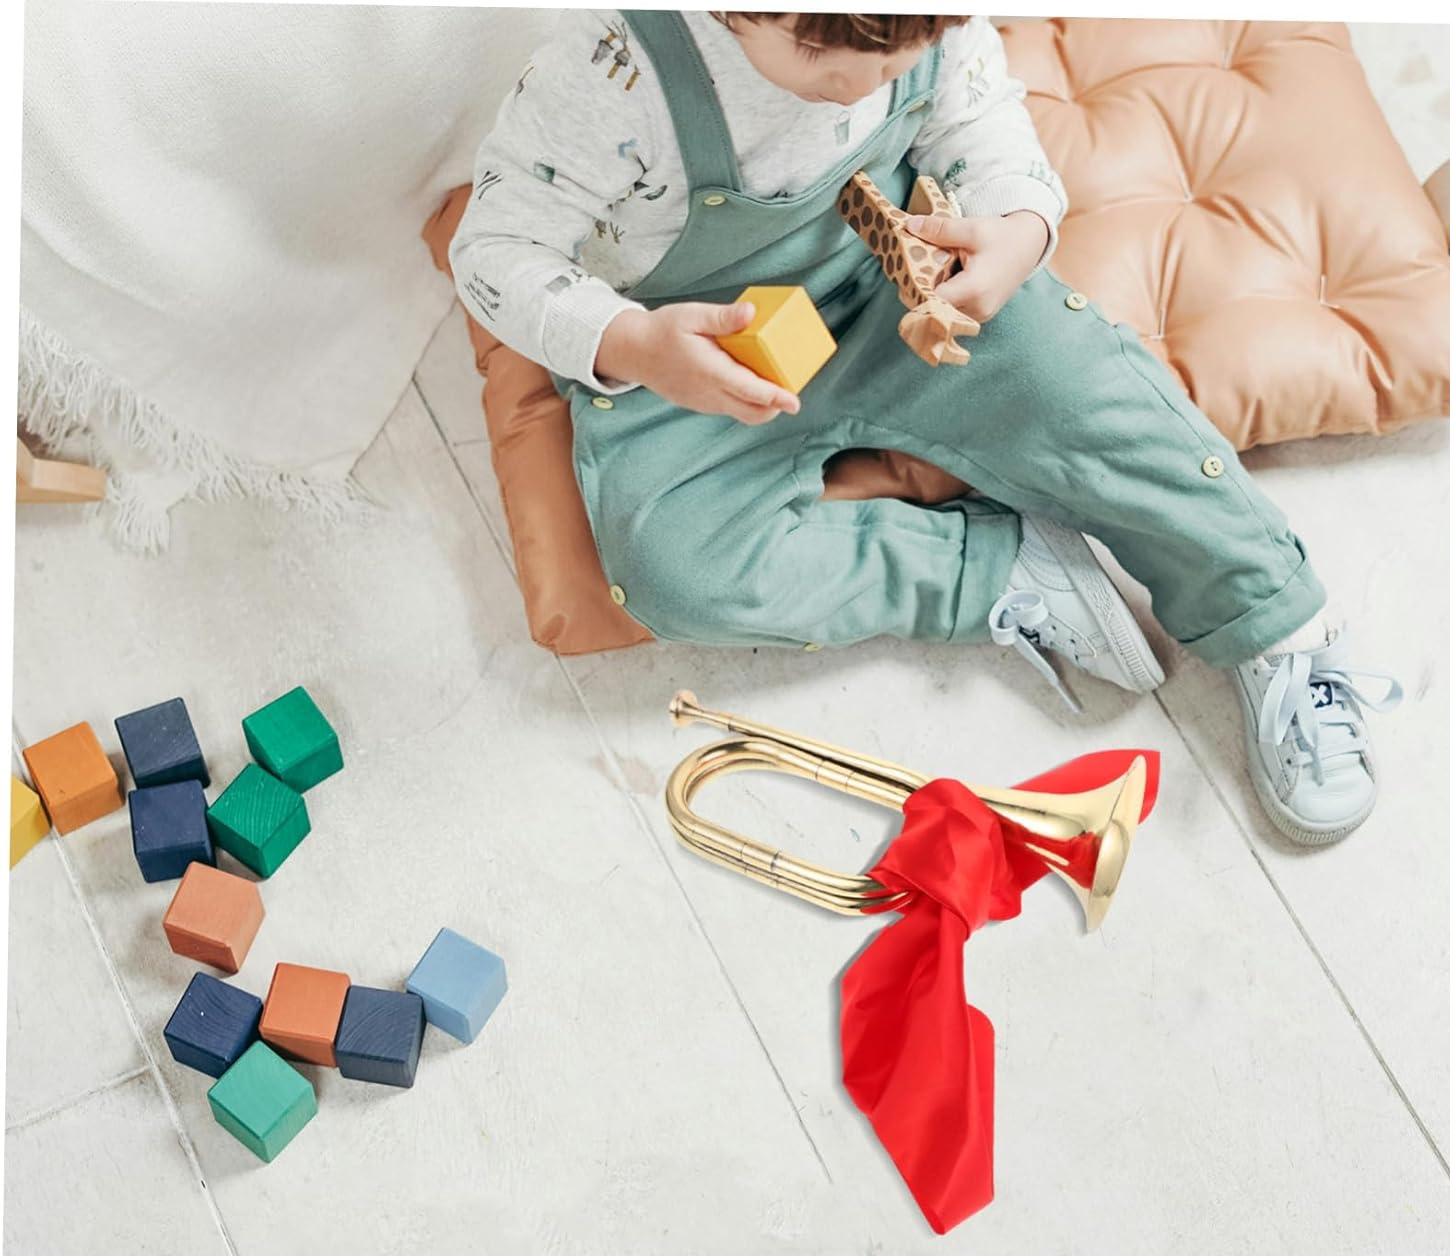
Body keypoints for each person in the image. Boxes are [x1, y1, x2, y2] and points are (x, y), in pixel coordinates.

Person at [451, 10, 1400, 844]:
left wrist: (1018, 230)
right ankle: (994, 571)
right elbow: (493, 249)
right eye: (821, 58)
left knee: (1076, 379)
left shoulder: (926, 24)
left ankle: (1276, 618)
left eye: (900, 56)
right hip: (697, 355)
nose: (860, 86)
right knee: (669, 563)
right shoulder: (612, 72)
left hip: (890, 292)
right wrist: (630, 343)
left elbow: (981, 121)